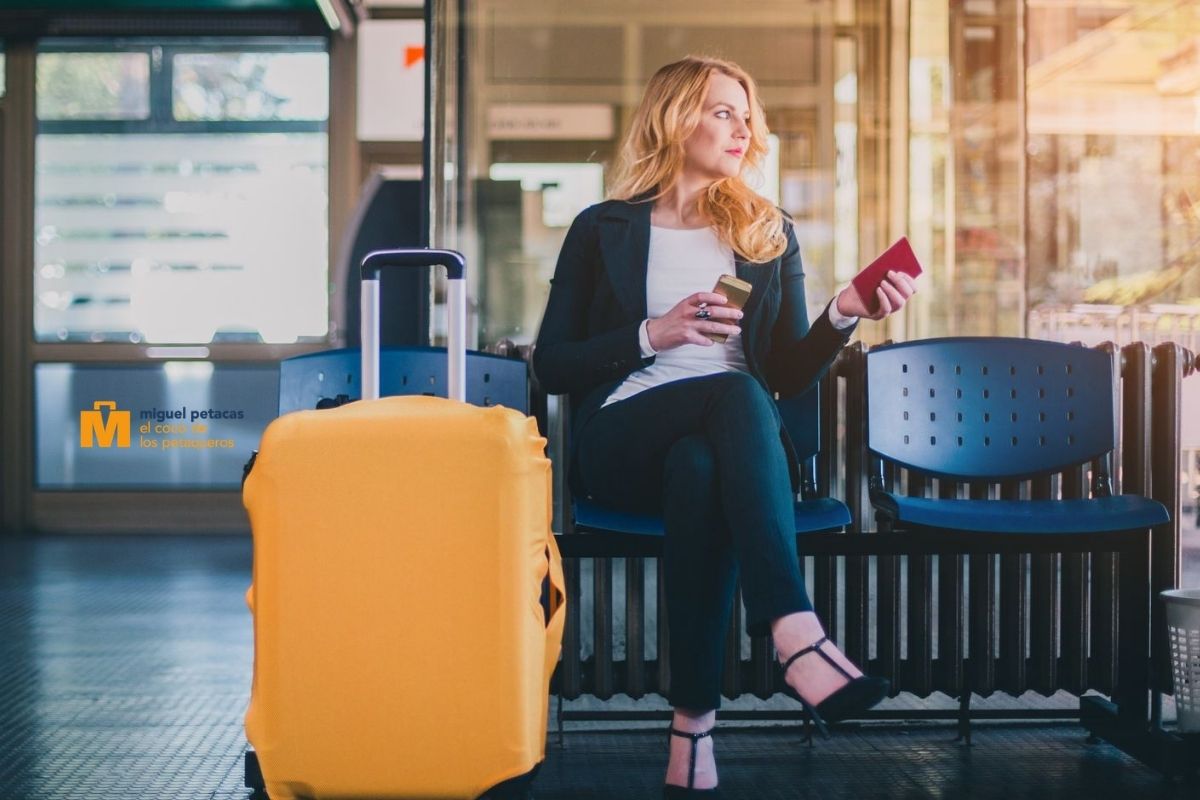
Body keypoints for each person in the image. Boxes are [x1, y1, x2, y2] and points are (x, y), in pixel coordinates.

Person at [533, 55, 918, 798]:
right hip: (620, 439)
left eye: (747, 114)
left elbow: (783, 372)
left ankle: (692, 734)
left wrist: (842, 313)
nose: (742, 129)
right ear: (675, 118)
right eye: (721, 111)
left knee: (707, 457)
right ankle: (795, 632)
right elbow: (553, 363)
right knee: (733, 400)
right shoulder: (601, 228)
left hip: (719, 452)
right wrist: (655, 333)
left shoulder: (765, 231)